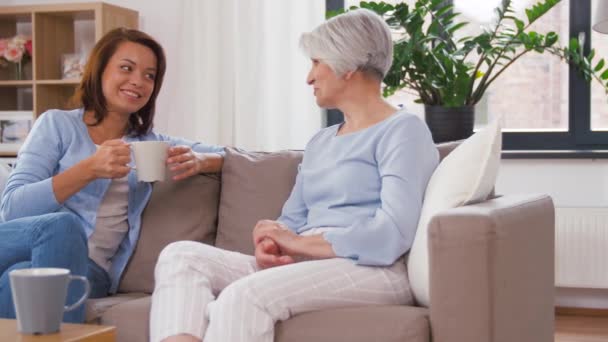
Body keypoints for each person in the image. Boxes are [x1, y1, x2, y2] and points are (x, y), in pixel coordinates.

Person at [150, 8, 439, 342]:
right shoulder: (321, 142)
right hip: (309, 261)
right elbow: (293, 218)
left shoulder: (403, 131)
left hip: (373, 268)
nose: (309, 77)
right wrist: (273, 238)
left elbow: (392, 234)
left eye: (317, 62)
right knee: (181, 257)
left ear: (347, 64)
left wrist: (301, 243)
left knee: (243, 297)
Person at [0, 28, 224, 323]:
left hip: (91, 269)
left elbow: (237, 156)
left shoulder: (151, 144)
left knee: (17, 279)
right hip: (24, 240)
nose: (138, 81)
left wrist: (202, 160)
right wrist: (88, 169)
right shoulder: (56, 126)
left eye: (149, 75)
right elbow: (13, 209)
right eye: (126, 68)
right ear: (99, 70)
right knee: (63, 226)